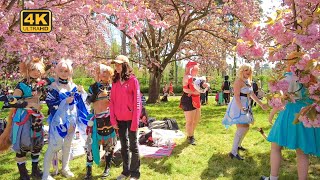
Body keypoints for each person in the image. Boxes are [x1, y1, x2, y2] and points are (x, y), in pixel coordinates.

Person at [261, 68, 320, 180]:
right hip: (307, 112)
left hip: (289, 112)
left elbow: (283, 99)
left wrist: (271, 114)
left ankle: (273, 178)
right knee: (302, 152)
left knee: (275, 146)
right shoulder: (313, 75)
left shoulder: (289, 75)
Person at [0, 58, 50, 180]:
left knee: (37, 144)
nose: (35, 72)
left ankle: (35, 170)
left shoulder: (41, 84)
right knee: (22, 144)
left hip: (36, 118)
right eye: (33, 69)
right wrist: (29, 104)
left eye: (38, 70)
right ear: (27, 70)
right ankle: (23, 173)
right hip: (23, 118)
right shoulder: (21, 85)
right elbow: (13, 101)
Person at [42, 59, 89, 180]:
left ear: (70, 72)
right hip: (58, 122)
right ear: (57, 71)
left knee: (68, 145)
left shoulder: (73, 86)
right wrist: (64, 101)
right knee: (53, 146)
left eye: (66, 71)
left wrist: (82, 93)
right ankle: (46, 174)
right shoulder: (53, 86)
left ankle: (65, 168)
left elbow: (81, 103)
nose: (64, 73)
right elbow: (50, 103)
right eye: (61, 70)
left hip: (71, 121)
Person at [222, 64, 268, 160]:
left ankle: (238, 146)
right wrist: (241, 107)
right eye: (246, 70)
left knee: (246, 127)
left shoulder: (248, 81)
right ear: (242, 71)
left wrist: (261, 104)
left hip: (246, 105)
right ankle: (233, 152)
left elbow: (252, 95)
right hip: (238, 106)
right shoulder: (238, 81)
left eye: (250, 71)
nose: (248, 72)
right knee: (242, 128)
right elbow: (237, 96)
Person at [109, 55, 141, 180]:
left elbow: (137, 102)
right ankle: (125, 171)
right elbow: (112, 102)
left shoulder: (133, 81)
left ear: (125, 65)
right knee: (123, 146)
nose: (116, 66)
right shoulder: (115, 82)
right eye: (115, 64)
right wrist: (113, 120)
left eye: (119, 64)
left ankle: (135, 173)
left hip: (131, 119)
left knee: (133, 145)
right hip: (119, 120)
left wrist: (135, 121)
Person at [84, 63, 117, 179]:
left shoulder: (114, 87)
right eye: (101, 72)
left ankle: (107, 167)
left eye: (106, 72)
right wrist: (94, 95)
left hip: (109, 119)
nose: (103, 74)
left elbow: (117, 102)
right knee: (91, 145)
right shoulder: (93, 87)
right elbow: (87, 101)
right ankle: (88, 171)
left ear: (110, 74)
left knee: (110, 145)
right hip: (96, 119)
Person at [180, 61, 208, 145]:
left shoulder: (196, 77)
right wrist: (201, 86)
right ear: (192, 68)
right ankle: (190, 137)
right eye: (197, 66)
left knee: (196, 119)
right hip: (188, 99)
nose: (198, 68)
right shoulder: (187, 77)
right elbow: (187, 88)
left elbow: (202, 86)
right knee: (190, 121)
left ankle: (191, 134)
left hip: (196, 99)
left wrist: (205, 86)